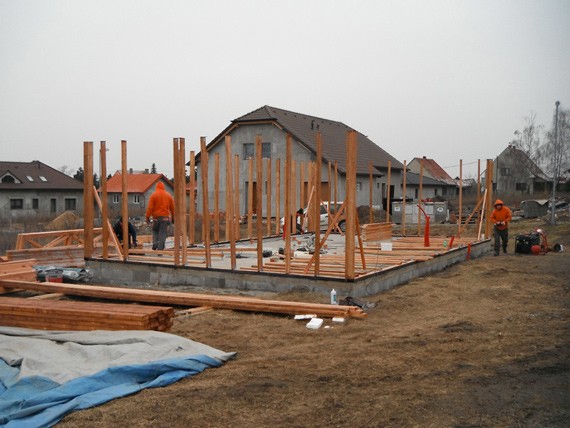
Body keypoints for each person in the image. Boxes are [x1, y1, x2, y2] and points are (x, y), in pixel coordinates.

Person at [145, 181, 175, 250]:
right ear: (164, 187)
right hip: (165, 218)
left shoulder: (153, 195)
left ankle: (155, 243)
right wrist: (173, 218)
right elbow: (172, 209)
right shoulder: (168, 195)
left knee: (155, 230)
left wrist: (147, 217)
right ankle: (160, 249)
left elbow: (150, 208)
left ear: (157, 187)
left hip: (156, 218)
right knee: (163, 233)